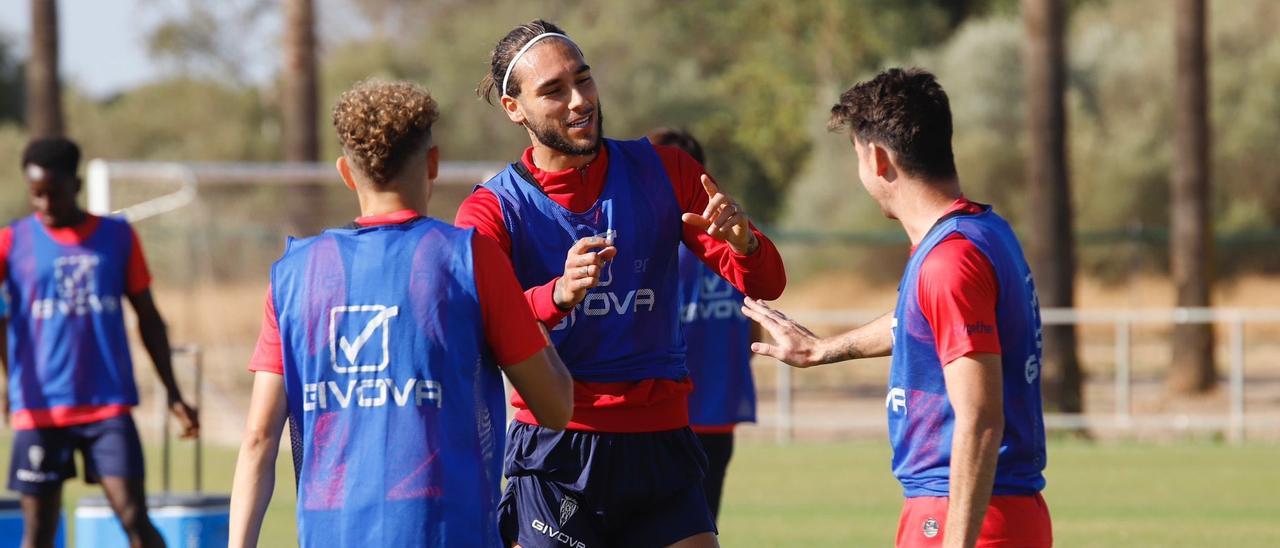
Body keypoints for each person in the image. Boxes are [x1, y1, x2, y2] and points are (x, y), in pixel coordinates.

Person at [457, 20, 786, 548]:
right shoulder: (492, 209)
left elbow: (767, 282)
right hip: (556, 451)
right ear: (513, 108)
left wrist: (745, 244)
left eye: (583, 79)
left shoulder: (668, 171)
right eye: (554, 91)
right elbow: (471, 325)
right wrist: (555, 294)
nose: (579, 100)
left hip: (662, 444)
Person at [227, 79, 574, 548]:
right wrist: (530, 313)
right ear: (433, 163)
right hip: (448, 534)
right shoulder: (471, 258)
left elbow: (258, 439)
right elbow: (555, 407)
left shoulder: (293, 274)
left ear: (346, 174)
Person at [741, 68, 1052, 548]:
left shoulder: (950, 260)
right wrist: (823, 350)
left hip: (966, 513)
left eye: (856, 157)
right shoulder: (983, 232)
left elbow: (981, 417)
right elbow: (919, 320)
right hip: (989, 509)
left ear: (879, 158)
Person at [1, 137, 199, 548]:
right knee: (37, 533)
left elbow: (149, 318)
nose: (44, 205)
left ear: (74, 186)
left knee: (133, 518)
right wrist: (11, 380)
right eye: (35, 195)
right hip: (41, 410)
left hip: (106, 404)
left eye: (53, 194)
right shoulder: (11, 243)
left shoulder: (117, 237)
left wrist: (174, 391)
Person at [648, 128, 758, 522]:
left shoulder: (654, 246)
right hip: (718, 412)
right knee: (700, 527)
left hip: (665, 419)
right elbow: (754, 333)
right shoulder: (733, 241)